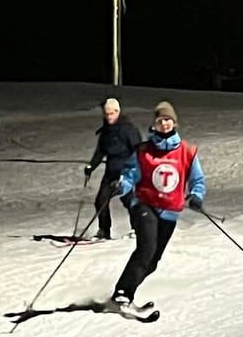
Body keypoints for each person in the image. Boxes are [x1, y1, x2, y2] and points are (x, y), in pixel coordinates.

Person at [108, 101, 206, 310]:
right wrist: (122, 186)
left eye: (168, 120)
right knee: (146, 249)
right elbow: (130, 175)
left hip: (169, 212)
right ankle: (123, 293)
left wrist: (196, 196)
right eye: (160, 120)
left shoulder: (187, 151)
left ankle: (127, 291)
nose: (164, 124)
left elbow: (197, 180)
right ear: (155, 124)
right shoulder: (143, 151)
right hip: (145, 205)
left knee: (152, 261)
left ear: (174, 123)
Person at [84, 98, 142, 239]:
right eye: (107, 114)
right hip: (111, 172)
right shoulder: (106, 132)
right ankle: (104, 231)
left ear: (118, 112)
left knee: (129, 201)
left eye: (112, 113)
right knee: (100, 201)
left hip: (126, 172)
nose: (109, 116)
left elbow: (138, 150)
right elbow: (100, 152)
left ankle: (137, 229)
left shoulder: (128, 129)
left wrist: (134, 170)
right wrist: (91, 166)